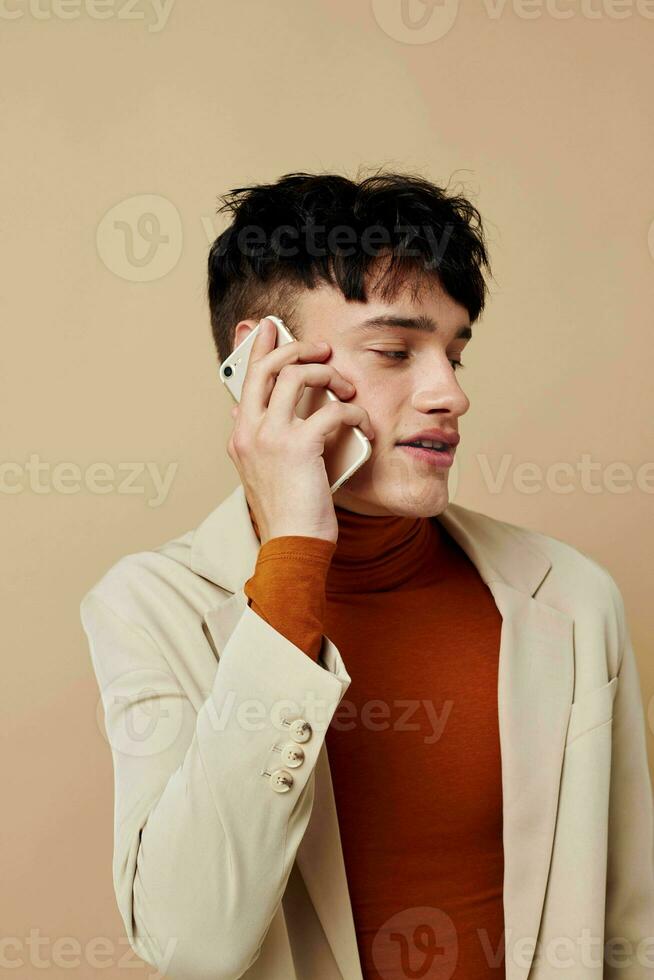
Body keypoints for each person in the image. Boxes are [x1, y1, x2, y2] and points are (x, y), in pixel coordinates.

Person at [80, 170, 654, 980]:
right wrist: (293, 559)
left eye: (455, 354)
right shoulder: (148, 607)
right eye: (396, 351)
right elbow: (195, 942)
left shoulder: (574, 596)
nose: (450, 393)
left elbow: (631, 925)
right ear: (261, 364)